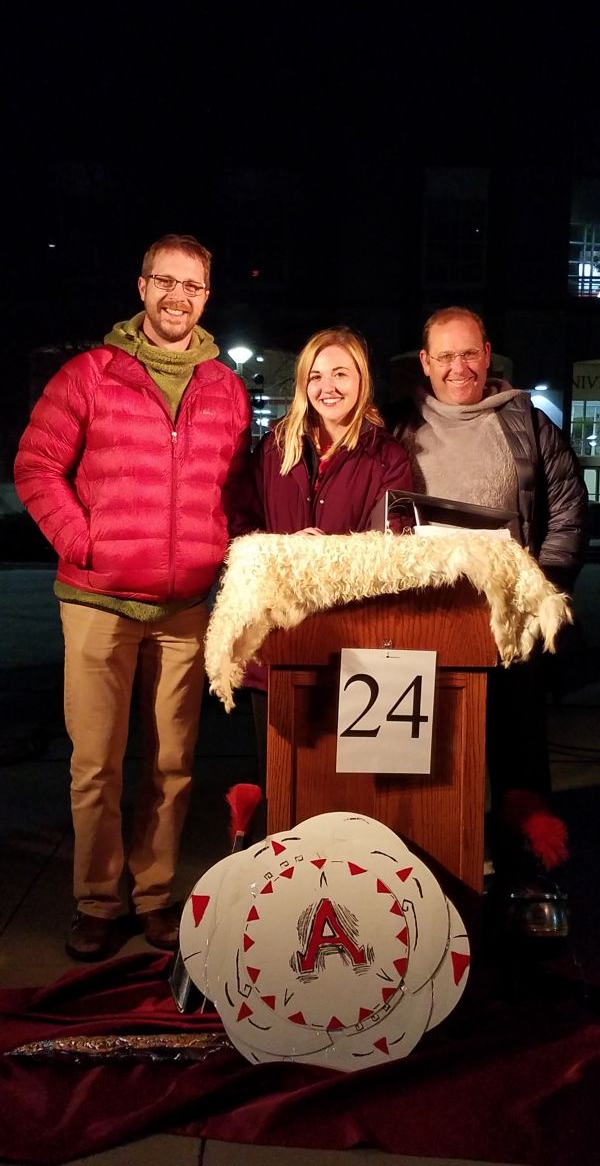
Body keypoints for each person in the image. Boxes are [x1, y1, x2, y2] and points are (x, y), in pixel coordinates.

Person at [14, 233, 252, 962]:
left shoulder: (225, 387)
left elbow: (236, 488)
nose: (179, 297)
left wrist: (224, 551)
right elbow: (36, 465)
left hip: (184, 608)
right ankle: (96, 900)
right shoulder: (92, 374)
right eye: (166, 282)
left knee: (172, 765)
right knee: (96, 764)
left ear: (206, 297)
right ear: (143, 287)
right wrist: (84, 542)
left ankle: (153, 895)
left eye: (193, 286)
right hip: (98, 602)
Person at [386, 306, 589, 927]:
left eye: (468, 353)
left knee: (518, 758)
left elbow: (568, 509)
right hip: (426, 628)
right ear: (425, 363)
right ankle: (430, 885)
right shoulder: (397, 427)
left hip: (510, 629)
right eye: (445, 356)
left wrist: (539, 591)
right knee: (430, 760)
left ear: (488, 354)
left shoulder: (528, 423)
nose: (458, 368)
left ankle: (527, 885)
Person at [242, 326, 414, 830]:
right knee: (282, 791)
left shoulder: (387, 457)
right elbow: (241, 528)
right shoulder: (274, 449)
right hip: (277, 644)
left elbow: (395, 549)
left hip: (353, 649)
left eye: (340, 373)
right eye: (316, 376)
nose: (328, 387)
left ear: (362, 380)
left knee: (347, 797)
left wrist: (327, 557)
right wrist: (287, 552)